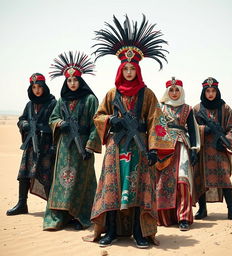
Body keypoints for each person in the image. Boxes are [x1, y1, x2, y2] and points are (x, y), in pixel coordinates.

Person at [90, 15, 174, 248]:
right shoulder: (111, 94)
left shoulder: (147, 95)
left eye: (132, 68)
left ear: (137, 70)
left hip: (139, 148)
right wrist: (110, 121)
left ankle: (139, 232)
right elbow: (97, 116)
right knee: (112, 189)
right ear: (121, 70)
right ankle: (112, 232)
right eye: (125, 68)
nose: (128, 72)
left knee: (139, 191)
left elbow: (157, 121)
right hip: (115, 147)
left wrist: (155, 149)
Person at [43, 52, 102, 231]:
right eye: (69, 81)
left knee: (81, 181)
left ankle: (81, 217)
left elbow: (97, 123)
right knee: (62, 181)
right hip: (64, 147)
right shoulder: (61, 100)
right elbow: (52, 118)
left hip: (82, 147)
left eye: (75, 80)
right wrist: (61, 123)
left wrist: (90, 145)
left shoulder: (90, 99)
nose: (72, 83)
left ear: (80, 81)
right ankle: (59, 217)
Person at [193, 77, 232, 222]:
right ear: (204, 92)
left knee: (225, 179)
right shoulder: (197, 109)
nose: (210, 94)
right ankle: (202, 209)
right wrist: (203, 129)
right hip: (203, 152)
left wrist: (226, 141)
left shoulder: (225, 108)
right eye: (207, 91)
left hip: (220, 151)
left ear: (217, 91)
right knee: (201, 178)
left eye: (213, 91)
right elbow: (192, 130)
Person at [6, 73, 56, 216]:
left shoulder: (53, 103)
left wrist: (51, 141)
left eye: (39, 86)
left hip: (46, 145)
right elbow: (21, 119)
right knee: (23, 174)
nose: (37, 90)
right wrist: (24, 124)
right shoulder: (29, 105)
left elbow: (55, 123)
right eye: (34, 87)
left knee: (46, 175)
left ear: (44, 87)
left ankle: (51, 207)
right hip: (30, 145)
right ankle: (22, 204)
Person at [156, 77, 200, 231]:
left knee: (182, 180)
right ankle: (165, 218)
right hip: (165, 148)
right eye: (171, 90)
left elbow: (193, 130)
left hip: (182, 145)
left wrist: (194, 149)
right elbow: (156, 129)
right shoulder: (160, 108)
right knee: (163, 183)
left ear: (181, 91)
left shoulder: (188, 109)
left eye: (177, 90)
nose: (174, 93)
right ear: (167, 91)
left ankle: (184, 218)